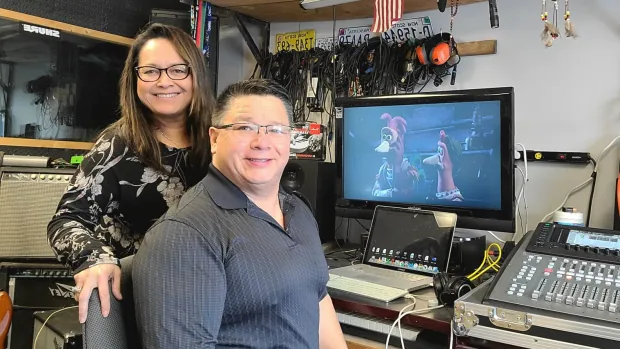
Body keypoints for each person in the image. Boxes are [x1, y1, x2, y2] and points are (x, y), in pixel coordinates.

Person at [132, 79, 347, 348]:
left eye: (276, 130)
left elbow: (318, 298)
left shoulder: (298, 210)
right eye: (245, 127)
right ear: (215, 138)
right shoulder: (184, 235)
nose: (262, 142)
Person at [46, 23, 215, 323]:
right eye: (150, 71)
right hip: (145, 302)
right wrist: (94, 258)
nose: (164, 82)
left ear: (196, 75)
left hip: (211, 294)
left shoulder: (221, 139)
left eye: (178, 70)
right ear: (135, 79)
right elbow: (66, 220)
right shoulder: (117, 145)